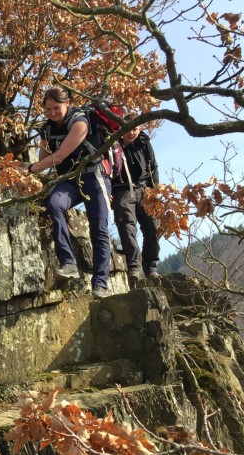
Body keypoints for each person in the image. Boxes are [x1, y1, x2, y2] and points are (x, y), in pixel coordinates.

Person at [29, 86, 113, 299]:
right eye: (48, 109)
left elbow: (57, 157)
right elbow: (43, 161)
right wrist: (25, 175)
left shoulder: (80, 121)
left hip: (94, 176)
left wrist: (30, 169)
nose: (52, 113)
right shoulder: (46, 129)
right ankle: (68, 262)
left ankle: (100, 284)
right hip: (69, 179)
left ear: (67, 103)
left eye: (56, 108)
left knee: (99, 229)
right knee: (54, 204)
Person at [110, 113, 161, 287]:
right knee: (126, 224)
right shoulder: (112, 144)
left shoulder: (144, 142)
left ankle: (151, 267)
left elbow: (153, 167)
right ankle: (134, 267)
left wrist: (155, 191)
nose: (131, 133)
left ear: (140, 129)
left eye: (135, 129)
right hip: (122, 189)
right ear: (120, 128)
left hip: (144, 189)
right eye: (128, 129)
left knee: (152, 226)